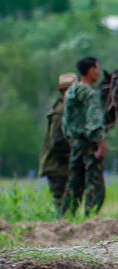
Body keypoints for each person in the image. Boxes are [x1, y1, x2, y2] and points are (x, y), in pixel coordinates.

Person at [59, 56, 107, 218]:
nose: (98, 74)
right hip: (90, 144)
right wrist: (100, 145)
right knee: (95, 184)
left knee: (74, 183)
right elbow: (94, 121)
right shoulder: (90, 94)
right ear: (91, 70)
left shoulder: (71, 92)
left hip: (76, 144)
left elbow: (65, 122)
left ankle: (64, 218)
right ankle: (90, 218)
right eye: (97, 70)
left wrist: (72, 140)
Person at [37, 72, 76, 208]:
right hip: (58, 166)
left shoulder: (63, 108)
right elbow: (58, 142)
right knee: (61, 201)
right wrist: (76, 152)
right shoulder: (60, 112)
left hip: (59, 165)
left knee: (67, 201)